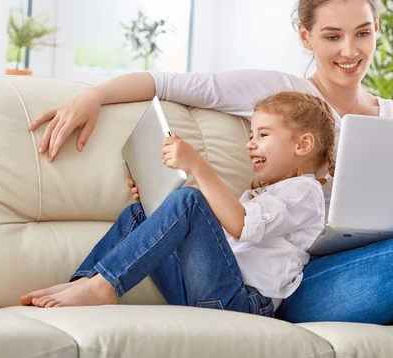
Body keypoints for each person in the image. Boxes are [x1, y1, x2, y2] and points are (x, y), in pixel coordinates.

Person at [25, 0, 393, 356]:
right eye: (331, 36)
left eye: (363, 32)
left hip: (382, 273)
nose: (350, 50)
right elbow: (167, 82)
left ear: (378, 30)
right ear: (305, 36)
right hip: (305, 280)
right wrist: (94, 95)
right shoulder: (282, 95)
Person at [20, 92, 334, 317]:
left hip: (242, 302)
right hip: (206, 290)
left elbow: (241, 225)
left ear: (303, 144)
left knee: (189, 199)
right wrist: (158, 205)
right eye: (251, 135)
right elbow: (218, 239)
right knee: (142, 214)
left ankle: (104, 286)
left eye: (262, 135)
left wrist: (199, 167)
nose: (250, 144)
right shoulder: (263, 193)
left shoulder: (304, 193)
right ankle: (86, 281)